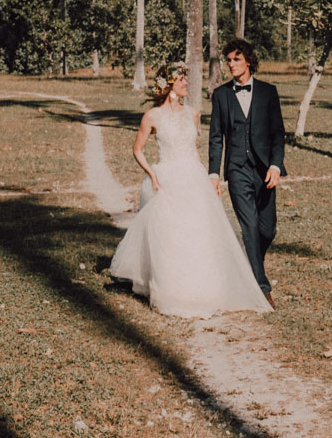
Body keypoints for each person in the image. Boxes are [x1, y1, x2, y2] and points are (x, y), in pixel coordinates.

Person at [110, 62, 270, 319]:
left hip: (193, 176)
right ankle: (170, 289)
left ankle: (205, 288)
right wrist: (151, 173)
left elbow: (194, 148)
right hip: (167, 177)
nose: (186, 83)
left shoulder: (192, 113)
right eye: (182, 80)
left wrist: (207, 177)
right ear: (169, 84)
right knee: (171, 234)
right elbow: (137, 149)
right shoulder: (152, 116)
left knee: (199, 231)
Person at [207, 39, 286, 306]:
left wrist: (276, 166)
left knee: (267, 230)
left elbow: (278, 134)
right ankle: (262, 288)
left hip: (265, 171)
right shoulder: (221, 95)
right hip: (237, 169)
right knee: (250, 226)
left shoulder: (268, 92)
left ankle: (246, 263)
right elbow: (216, 137)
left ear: (249, 61)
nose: (231, 65)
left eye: (236, 60)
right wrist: (214, 173)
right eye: (228, 60)